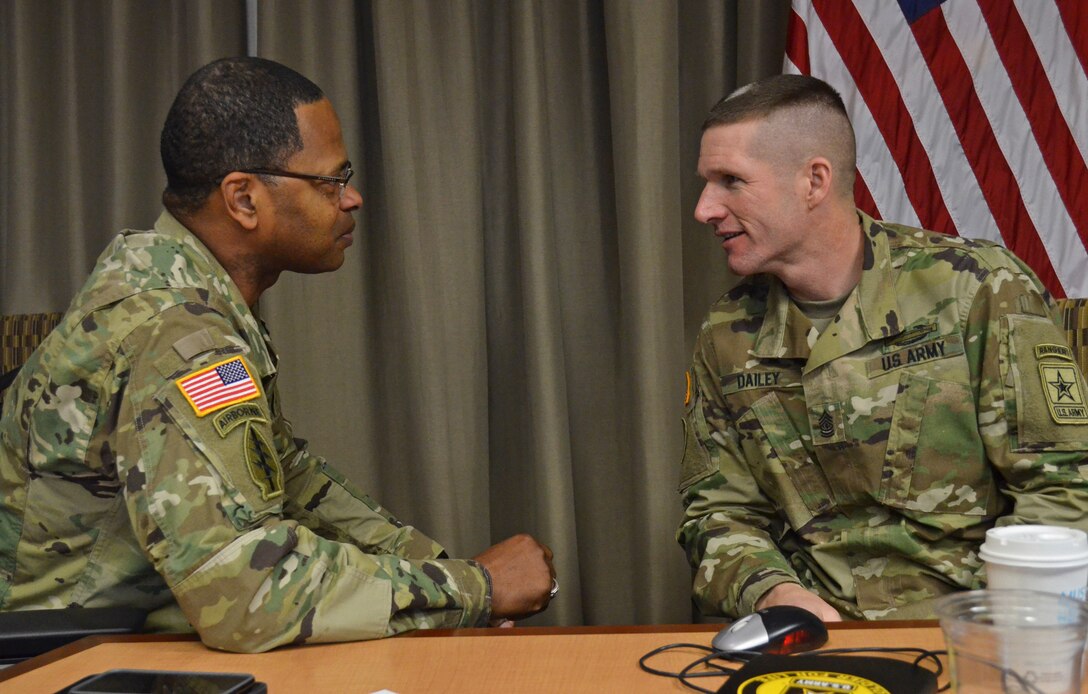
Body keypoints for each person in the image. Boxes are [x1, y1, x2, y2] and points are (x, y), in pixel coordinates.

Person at [0, 57, 556, 653]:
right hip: (65, 659)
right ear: (243, 199)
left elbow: (289, 481)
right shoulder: (179, 333)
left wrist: (442, 573)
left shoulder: (180, 280)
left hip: (138, 634)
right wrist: (475, 587)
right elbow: (248, 597)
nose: (353, 199)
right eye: (331, 181)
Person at [676, 74, 1088, 622]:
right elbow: (718, 514)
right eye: (708, 183)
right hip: (812, 640)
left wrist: (982, 623)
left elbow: (1065, 488)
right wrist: (777, 596)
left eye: (731, 181)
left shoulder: (975, 289)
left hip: (972, 632)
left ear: (814, 181)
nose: (704, 208)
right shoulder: (728, 332)